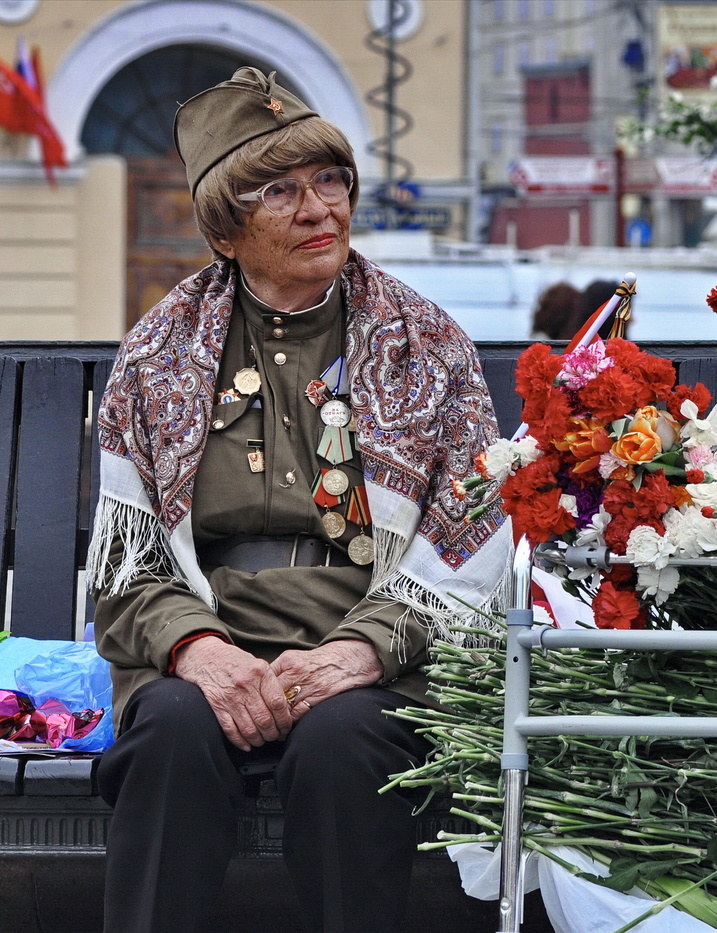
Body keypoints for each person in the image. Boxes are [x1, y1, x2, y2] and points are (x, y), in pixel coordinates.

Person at [88, 67, 510, 933]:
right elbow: (126, 569)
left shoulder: (427, 343)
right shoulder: (156, 353)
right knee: (167, 727)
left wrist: (363, 648)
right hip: (209, 644)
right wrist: (198, 648)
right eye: (280, 190)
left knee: (344, 743)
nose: (320, 208)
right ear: (225, 228)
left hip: (376, 657)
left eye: (331, 180)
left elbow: (473, 540)